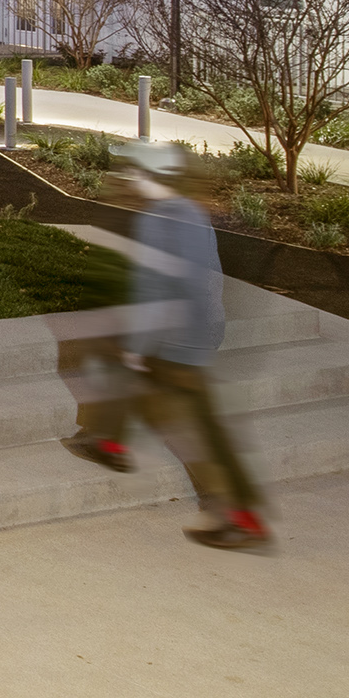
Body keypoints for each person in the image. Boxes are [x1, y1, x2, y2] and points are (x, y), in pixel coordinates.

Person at [55, 140, 272, 552]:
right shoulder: (192, 213)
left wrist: (138, 344)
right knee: (195, 418)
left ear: (153, 178)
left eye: (136, 172)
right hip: (195, 333)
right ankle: (109, 442)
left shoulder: (161, 219)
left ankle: (240, 518)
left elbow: (157, 287)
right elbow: (206, 279)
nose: (130, 179)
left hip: (175, 340)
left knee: (201, 429)